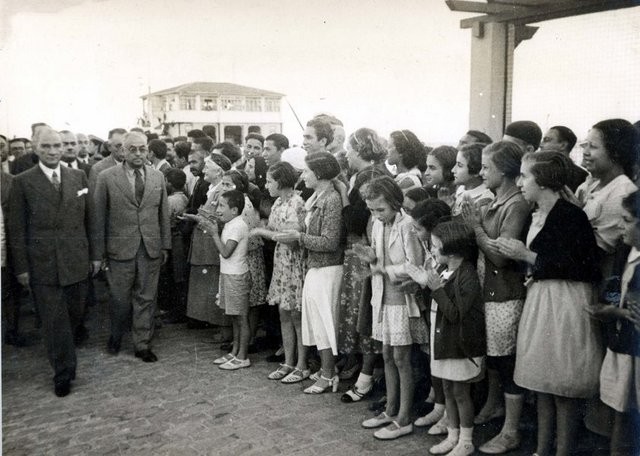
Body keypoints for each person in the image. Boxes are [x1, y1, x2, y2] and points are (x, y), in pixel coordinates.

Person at [496, 151, 603, 456]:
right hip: (543, 297)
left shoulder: (571, 215)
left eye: (525, 176)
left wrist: (527, 256)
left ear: (542, 181)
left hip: (565, 301)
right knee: (542, 381)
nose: (520, 182)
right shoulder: (536, 214)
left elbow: (582, 267)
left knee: (562, 384)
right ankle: (543, 449)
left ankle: (562, 451)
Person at [9, 127, 93, 396]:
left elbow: (88, 220)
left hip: (76, 260)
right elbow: (16, 229)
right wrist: (21, 267)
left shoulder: (78, 176)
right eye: (46, 146)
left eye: (57, 145)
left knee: (74, 315)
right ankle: (63, 372)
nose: (54, 151)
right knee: (54, 321)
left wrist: (95, 256)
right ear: (36, 149)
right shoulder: (22, 182)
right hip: (43, 264)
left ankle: (65, 357)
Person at [460, 141, 530, 454]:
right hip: (487, 291)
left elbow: (501, 256)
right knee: (493, 357)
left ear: (504, 170)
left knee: (505, 361)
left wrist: (475, 228)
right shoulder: (494, 200)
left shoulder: (516, 204)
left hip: (505, 294)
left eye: (487, 167)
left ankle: (511, 430)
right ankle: (493, 406)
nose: (481, 172)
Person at [355, 176, 429, 441]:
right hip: (382, 297)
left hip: (402, 300)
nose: (376, 215)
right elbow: (379, 255)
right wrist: (371, 257)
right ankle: (390, 409)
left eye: (381, 209)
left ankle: (404, 418)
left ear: (395, 203)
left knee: (401, 358)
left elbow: (413, 265)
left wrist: (384, 268)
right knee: (386, 354)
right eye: (372, 210)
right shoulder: (377, 224)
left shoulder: (407, 225)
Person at [92, 131, 171, 363]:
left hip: (150, 247)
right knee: (119, 298)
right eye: (132, 149)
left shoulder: (157, 177)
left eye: (142, 149)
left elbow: (162, 213)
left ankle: (142, 344)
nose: (138, 153)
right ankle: (116, 335)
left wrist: (165, 245)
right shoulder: (106, 177)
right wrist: (99, 253)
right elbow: (98, 218)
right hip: (119, 249)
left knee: (146, 297)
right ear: (123, 151)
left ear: (148, 151)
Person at [407, 221, 485, 456]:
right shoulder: (444, 270)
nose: (432, 251)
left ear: (451, 250)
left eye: (435, 247)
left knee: (460, 393)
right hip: (443, 342)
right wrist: (424, 285)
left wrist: (436, 289)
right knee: (449, 390)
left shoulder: (467, 274)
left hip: (459, 345)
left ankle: (466, 440)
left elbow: (455, 313)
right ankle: (452, 436)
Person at [274, 152, 344, 394]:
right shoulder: (318, 197)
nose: (303, 175)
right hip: (315, 266)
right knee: (317, 322)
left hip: (327, 268)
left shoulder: (331, 200)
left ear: (320, 174)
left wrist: (299, 237)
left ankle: (328, 374)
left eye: (306, 171)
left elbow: (330, 241)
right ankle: (326, 370)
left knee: (325, 323)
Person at [335, 128, 390, 402]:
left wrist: (345, 192)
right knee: (363, 314)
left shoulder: (368, 176)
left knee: (364, 315)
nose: (347, 154)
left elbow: (354, 221)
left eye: (350, 149)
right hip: (366, 248)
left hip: (365, 250)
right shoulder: (373, 172)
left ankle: (366, 375)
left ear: (359, 151)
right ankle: (365, 371)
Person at [590, 190, 640, 455]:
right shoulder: (626, 252)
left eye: (627, 220)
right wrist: (610, 308)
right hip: (623, 347)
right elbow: (619, 294)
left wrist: (615, 312)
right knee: (620, 408)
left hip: (634, 349)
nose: (621, 225)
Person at [251, 162, 307, 382]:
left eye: (270, 181)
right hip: (281, 262)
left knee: (296, 314)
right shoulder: (276, 204)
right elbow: (275, 231)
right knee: (284, 312)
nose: (267, 185)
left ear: (281, 181)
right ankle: (289, 361)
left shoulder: (297, 203)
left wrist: (261, 232)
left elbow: (293, 240)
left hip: (294, 262)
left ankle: (302, 364)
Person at [568, 119, 639, 282]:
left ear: (615, 153)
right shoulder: (593, 185)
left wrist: (572, 215)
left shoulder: (622, 193)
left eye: (592, 147)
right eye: (585, 144)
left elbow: (594, 251)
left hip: (594, 285)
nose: (585, 151)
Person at [196, 190, 252, 370]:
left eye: (221, 206)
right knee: (234, 317)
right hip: (229, 274)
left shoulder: (238, 225)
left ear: (234, 210)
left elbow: (226, 253)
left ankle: (243, 356)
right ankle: (235, 351)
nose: (217, 209)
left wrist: (213, 233)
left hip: (236, 276)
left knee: (241, 318)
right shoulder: (230, 223)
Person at [157, 168, 189, 323]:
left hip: (174, 240)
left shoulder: (170, 201)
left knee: (175, 275)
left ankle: (176, 312)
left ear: (169, 183)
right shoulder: (183, 197)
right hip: (179, 239)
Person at [539, 125, 588, 192]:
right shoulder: (582, 175)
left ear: (563, 145)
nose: (540, 145)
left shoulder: (582, 177)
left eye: (546, 140)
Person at [451, 143, 493, 216]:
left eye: (460, 165)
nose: (453, 170)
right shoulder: (461, 189)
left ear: (476, 171)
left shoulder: (484, 200)